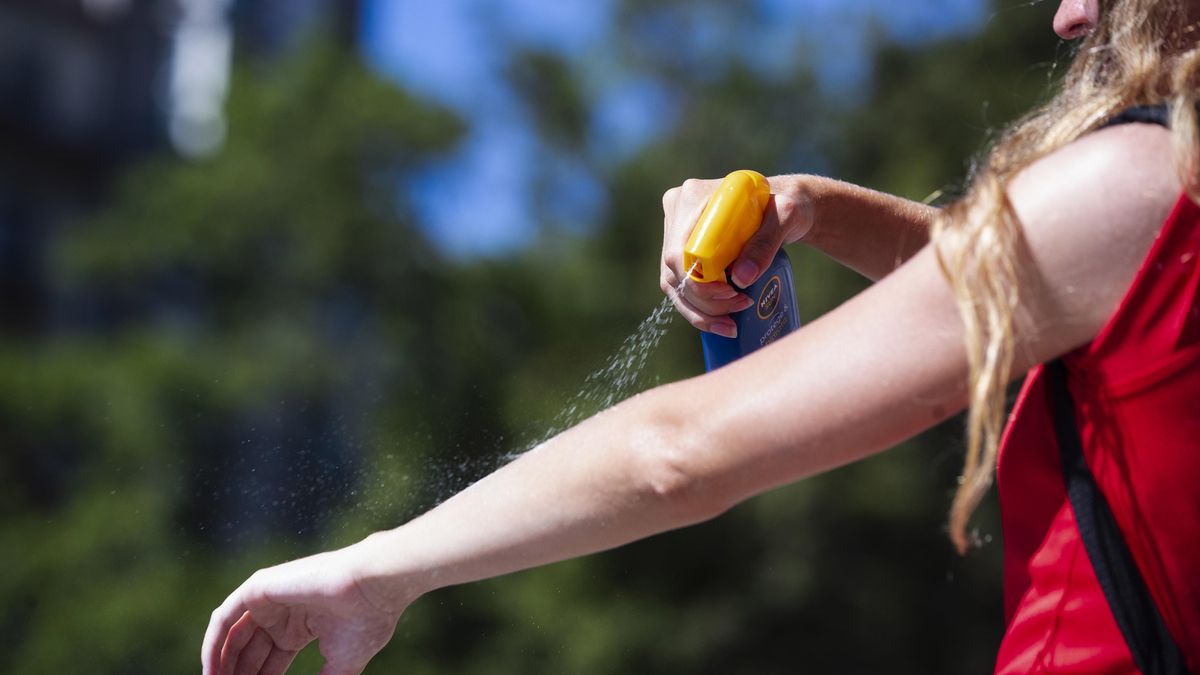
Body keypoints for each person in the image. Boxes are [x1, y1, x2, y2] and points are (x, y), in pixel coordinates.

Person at [203, 1, 1200, 673]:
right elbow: (1047, 291)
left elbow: (681, 454)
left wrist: (379, 571)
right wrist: (812, 207)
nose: (1070, 16)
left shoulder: (1138, 186)